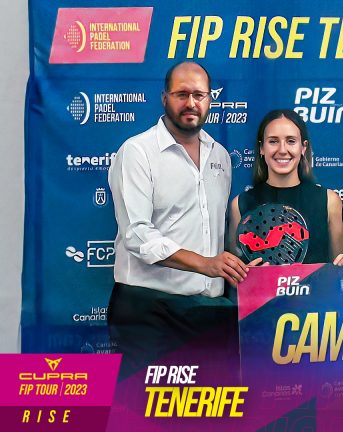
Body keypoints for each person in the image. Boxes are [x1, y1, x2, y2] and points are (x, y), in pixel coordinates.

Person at [108, 61, 243, 376]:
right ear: (164, 98)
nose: (191, 103)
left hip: (211, 314)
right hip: (149, 313)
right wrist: (204, 263)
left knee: (211, 404)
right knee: (146, 405)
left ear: (210, 99)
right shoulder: (137, 152)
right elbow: (137, 235)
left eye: (199, 95)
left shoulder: (220, 156)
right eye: (181, 94)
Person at [228, 109, 343, 264]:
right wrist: (249, 275)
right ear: (261, 148)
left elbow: (339, 269)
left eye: (291, 141)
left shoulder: (329, 201)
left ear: (303, 147)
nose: (282, 150)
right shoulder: (240, 204)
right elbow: (236, 273)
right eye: (273, 141)